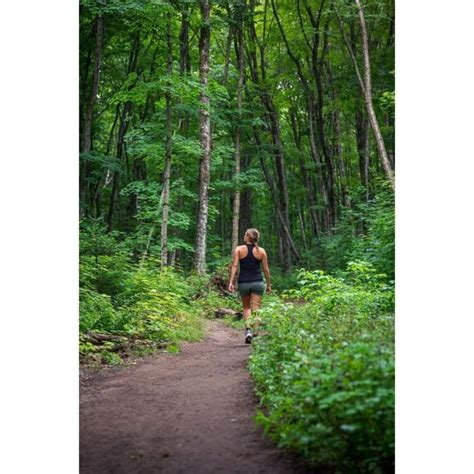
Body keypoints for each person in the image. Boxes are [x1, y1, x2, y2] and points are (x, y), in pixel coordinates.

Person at [228, 228, 271, 344]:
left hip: (244, 282)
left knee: (247, 308)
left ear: (247, 237)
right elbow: (266, 270)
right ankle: (256, 331)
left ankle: (248, 332)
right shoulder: (261, 251)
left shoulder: (239, 249)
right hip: (257, 282)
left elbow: (235, 266)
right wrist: (268, 284)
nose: (244, 236)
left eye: (245, 234)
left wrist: (231, 282)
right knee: (256, 308)